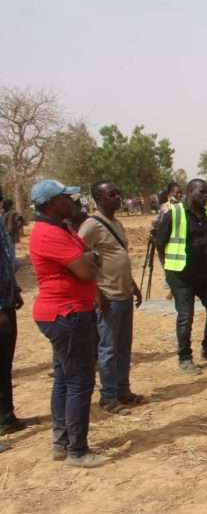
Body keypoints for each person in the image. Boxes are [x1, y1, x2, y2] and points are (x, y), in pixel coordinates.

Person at [29, 180, 109, 468]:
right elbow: (85, 270)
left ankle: (62, 441)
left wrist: (90, 260)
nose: (72, 201)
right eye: (66, 197)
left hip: (67, 312)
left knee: (64, 378)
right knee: (79, 382)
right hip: (67, 314)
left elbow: (86, 262)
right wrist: (92, 259)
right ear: (52, 203)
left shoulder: (61, 228)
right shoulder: (50, 234)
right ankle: (78, 450)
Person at [78, 182, 144, 416]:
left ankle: (123, 390)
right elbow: (79, 257)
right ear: (98, 199)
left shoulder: (116, 223)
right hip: (108, 297)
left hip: (123, 293)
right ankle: (108, 397)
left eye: (118, 193)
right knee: (108, 349)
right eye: (111, 194)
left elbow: (119, 256)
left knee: (124, 346)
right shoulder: (91, 225)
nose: (118, 197)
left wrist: (133, 285)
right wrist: (96, 293)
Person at [153, 179, 207, 375]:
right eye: (202, 192)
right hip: (180, 275)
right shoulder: (174, 213)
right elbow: (160, 243)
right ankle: (185, 357)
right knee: (186, 316)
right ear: (190, 192)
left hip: (204, 273)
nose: (206, 196)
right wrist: (167, 268)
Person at [0, 186, 25, 442]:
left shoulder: (1, 224)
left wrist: (14, 289)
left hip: (6, 300)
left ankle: (6, 417)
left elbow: (5, 264)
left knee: (5, 364)